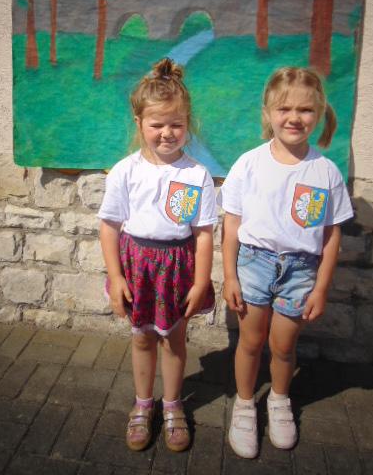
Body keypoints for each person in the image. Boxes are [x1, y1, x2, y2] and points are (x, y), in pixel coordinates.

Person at [219, 66, 353, 458]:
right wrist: (230, 276)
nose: (294, 118)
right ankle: (245, 404)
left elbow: (330, 235)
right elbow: (231, 225)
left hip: (300, 271)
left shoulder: (325, 172)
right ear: (268, 113)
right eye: (284, 109)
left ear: (319, 113)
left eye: (305, 110)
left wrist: (321, 288)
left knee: (283, 345)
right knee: (250, 342)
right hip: (253, 265)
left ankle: (278, 400)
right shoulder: (248, 164)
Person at [98, 57, 216, 453]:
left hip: (178, 269)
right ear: (139, 123)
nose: (167, 133)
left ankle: (173, 406)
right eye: (157, 124)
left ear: (188, 124)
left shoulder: (197, 175)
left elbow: (203, 234)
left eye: (176, 124)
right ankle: (143, 404)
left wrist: (200, 282)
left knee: (174, 341)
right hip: (137, 269)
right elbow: (109, 227)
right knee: (142, 340)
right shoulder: (124, 171)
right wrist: (116, 277)